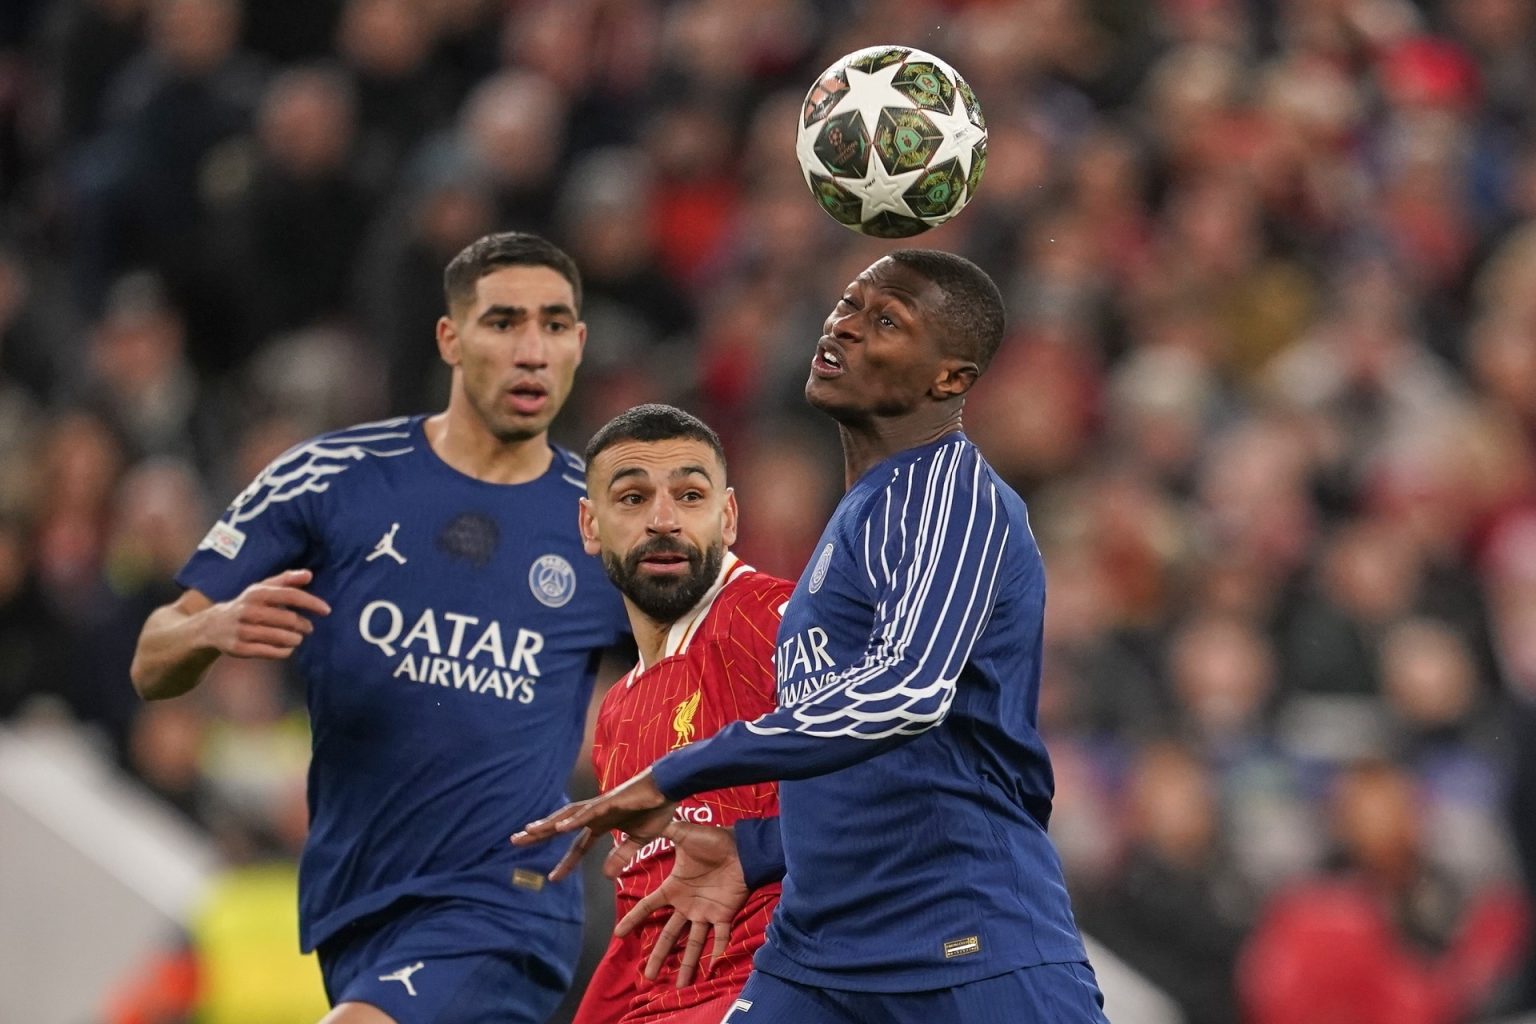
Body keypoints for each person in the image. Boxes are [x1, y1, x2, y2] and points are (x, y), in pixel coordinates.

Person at [516, 249, 1109, 1022]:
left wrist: (680, 771)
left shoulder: (953, 498)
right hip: (821, 957)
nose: (844, 327)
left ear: (949, 379)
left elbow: (905, 693)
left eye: (885, 321)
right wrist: (757, 849)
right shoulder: (859, 513)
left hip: (965, 946)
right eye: (847, 305)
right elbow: (872, 765)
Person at [130, 231, 630, 1024]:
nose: (532, 350)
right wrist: (209, 628)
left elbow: (730, 663)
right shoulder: (329, 480)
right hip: (358, 901)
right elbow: (151, 657)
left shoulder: (611, 525)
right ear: (451, 339)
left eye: (555, 324)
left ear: (578, 343)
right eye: (504, 323)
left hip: (505, 905)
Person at [567, 403, 790, 1024]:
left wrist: (759, 849)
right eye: (633, 499)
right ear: (591, 525)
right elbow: (640, 928)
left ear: (729, 516)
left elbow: (907, 778)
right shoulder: (617, 711)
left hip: (777, 988)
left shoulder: (777, 623)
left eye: (690, 496)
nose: (664, 521)